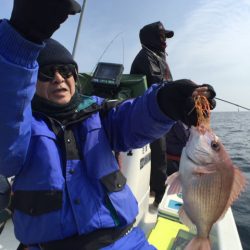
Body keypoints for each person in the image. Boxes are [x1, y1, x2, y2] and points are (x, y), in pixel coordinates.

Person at [0, 1, 216, 249]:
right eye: (46, 73)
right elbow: (7, 134)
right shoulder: (21, 126)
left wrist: (164, 102)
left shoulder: (99, 113)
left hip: (126, 241)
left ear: (75, 77)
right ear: (31, 82)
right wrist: (19, 42)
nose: (59, 78)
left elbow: (135, 117)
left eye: (66, 70)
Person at [130, 21, 174, 206]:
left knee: (164, 151)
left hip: (158, 112)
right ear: (152, 38)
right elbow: (160, 87)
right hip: (149, 116)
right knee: (159, 152)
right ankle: (159, 192)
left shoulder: (157, 55)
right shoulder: (147, 57)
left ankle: (162, 183)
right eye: (162, 37)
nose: (165, 41)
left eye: (165, 37)